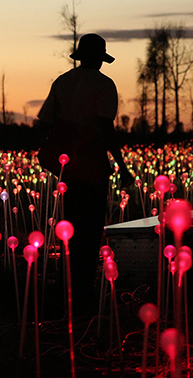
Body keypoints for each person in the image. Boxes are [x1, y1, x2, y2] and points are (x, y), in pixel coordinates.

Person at [37, 33, 129, 316]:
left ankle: (67, 286)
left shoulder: (62, 82)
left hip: (68, 166)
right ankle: (83, 293)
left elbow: (45, 122)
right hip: (91, 164)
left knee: (71, 225)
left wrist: (53, 154)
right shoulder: (104, 85)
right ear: (99, 58)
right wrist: (122, 166)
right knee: (90, 229)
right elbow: (106, 129)